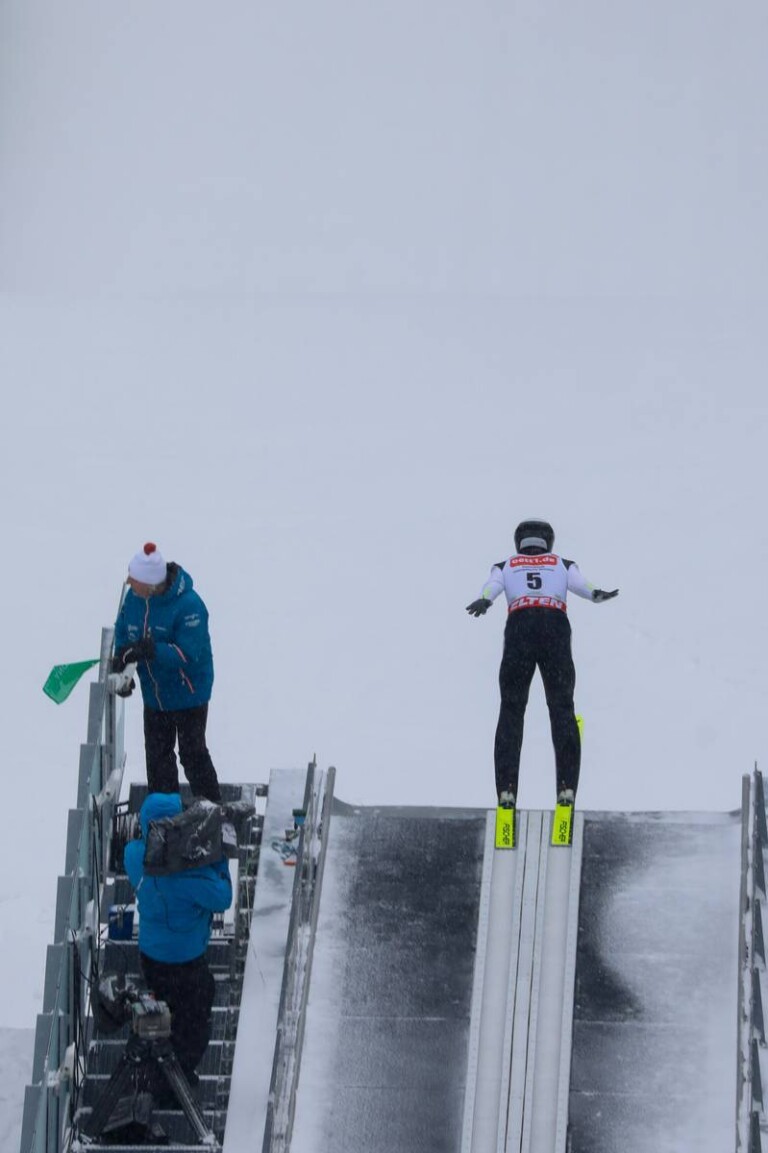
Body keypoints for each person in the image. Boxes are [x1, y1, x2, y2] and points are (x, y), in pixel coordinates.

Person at [466, 519, 618, 809]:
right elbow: (582, 586)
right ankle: (566, 786)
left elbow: (492, 587)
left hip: (520, 628)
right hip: (554, 627)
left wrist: (485, 600)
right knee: (562, 707)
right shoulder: (562, 562)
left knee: (511, 708)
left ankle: (507, 787)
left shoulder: (506, 564)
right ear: (548, 541)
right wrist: (598, 594)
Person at [123, 791, 233, 1099]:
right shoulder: (190, 872)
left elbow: (133, 846)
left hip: (151, 958)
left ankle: (153, 1076)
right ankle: (176, 1081)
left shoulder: (134, 857)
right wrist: (219, 860)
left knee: (161, 1020)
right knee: (193, 1023)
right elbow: (222, 897)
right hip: (187, 963)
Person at [112, 542, 222, 803]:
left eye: (134, 579)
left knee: (192, 754)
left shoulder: (189, 606)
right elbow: (123, 630)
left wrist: (150, 650)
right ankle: (164, 815)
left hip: (188, 695)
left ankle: (214, 810)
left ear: (150, 584)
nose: (128, 582)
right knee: (158, 757)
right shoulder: (135, 599)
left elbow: (188, 653)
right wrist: (123, 665)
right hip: (155, 696)